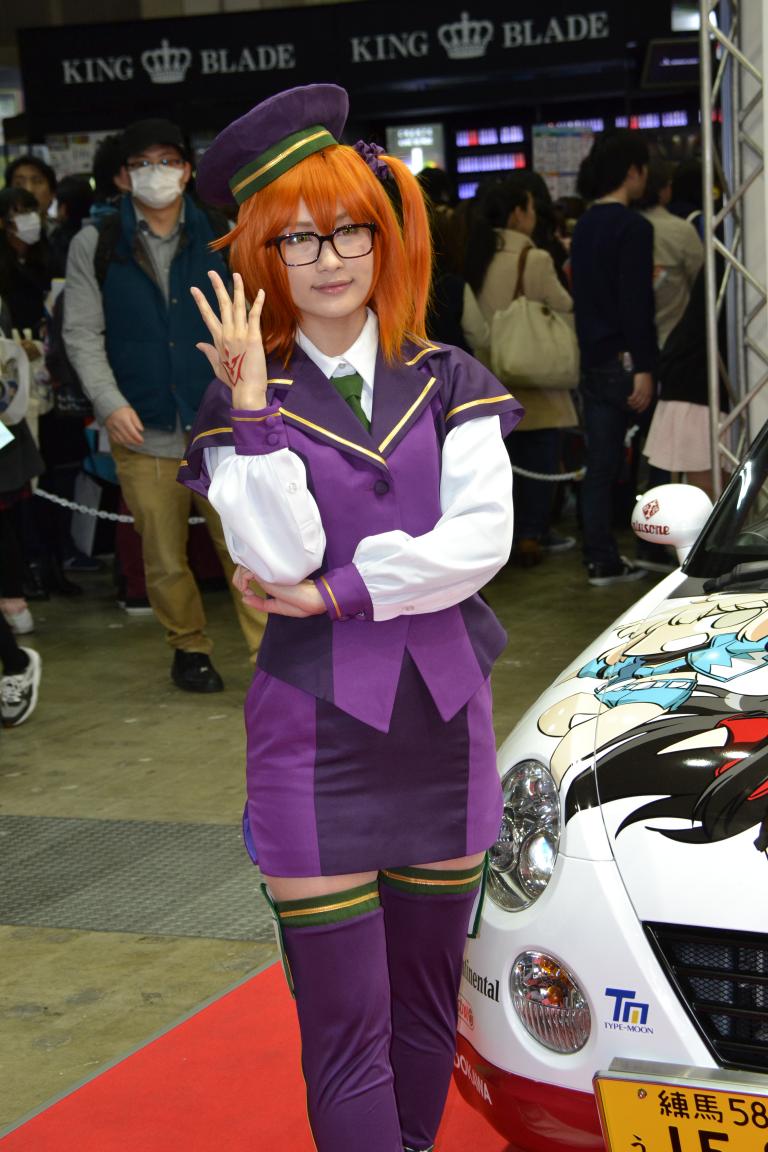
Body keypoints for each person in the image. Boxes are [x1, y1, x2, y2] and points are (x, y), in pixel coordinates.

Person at [179, 83, 521, 1152]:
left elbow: (481, 544)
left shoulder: (453, 379)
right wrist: (250, 407)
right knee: (344, 1031)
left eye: (347, 230)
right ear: (263, 258)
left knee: (424, 1012)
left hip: (445, 729)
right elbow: (275, 557)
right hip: (313, 737)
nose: (328, 258)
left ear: (384, 235)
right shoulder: (244, 399)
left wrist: (344, 588)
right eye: (297, 238)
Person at [63, 118, 266, 692]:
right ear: (123, 176)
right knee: (164, 555)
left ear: (187, 169)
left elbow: (257, 316)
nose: (157, 173)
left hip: (225, 424)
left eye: (168, 161)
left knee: (249, 546)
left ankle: (270, 656)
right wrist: (109, 403)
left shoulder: (223, 233)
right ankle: (189, 647)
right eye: (143, 163)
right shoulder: (96, 243)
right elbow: (81, 333)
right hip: (143, 426)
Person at [466, 178, 577, 565]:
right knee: (540, 457)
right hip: (534, 375)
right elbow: (563, 305)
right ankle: (531, 535)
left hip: (486, 375)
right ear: (517, 213)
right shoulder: (536, 258)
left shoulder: (474, 254)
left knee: (501, 465)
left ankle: (501, 539)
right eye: (529, 208)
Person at [571, 131, 657, 586]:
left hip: (593, 357)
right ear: (632, 172)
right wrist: (645, 365)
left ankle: (599, 556)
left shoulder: (584, 225)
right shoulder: (634, 227)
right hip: (625, 361)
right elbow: (636, 303)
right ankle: (653, 546)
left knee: (600, 464)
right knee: (652, 457)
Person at [638, 158, 703, 349]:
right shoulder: (682, 231)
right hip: (676, 340)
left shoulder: (619, 228)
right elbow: (700, 284)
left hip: (632, 344)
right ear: (664, 189)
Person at [5, 154, 57, 219]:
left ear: (52, 193)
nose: (29, 190)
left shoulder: (61, 225)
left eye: (37, 181)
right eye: (19, 183)